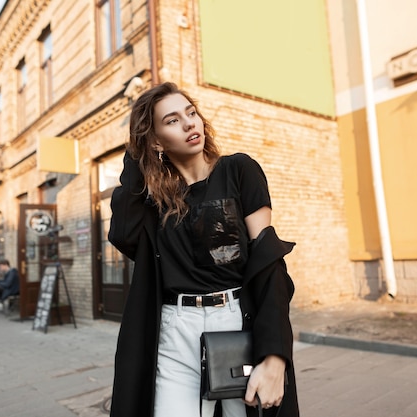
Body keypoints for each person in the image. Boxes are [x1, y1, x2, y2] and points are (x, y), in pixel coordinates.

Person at [108, 82, 299, 417]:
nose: (189, 124)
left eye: (191, 113)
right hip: (175, 329)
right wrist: (138, 153)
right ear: (155, 139)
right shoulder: (156, 201)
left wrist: (275, 356)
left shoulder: (239, 171)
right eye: (172, 120)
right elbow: (123, 232)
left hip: (235, 321)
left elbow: (268, 261)